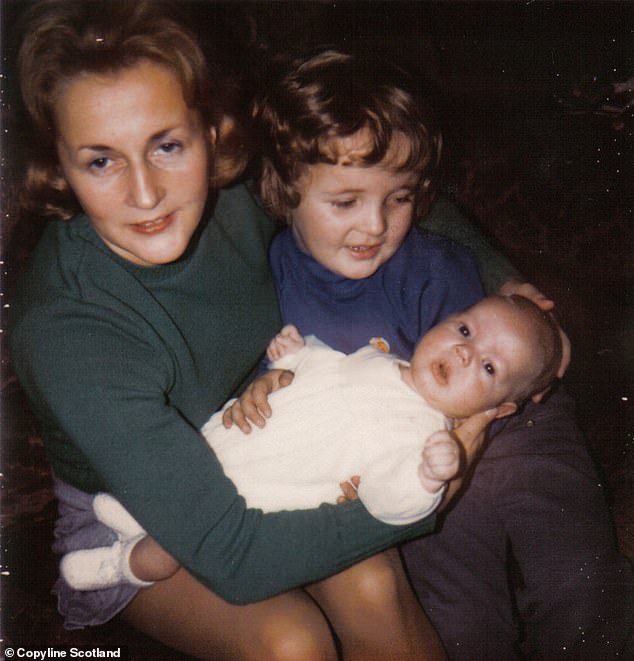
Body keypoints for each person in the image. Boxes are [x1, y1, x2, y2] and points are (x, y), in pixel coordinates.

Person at [7, 3, 509, 659]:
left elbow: (383, 177)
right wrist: (425, 495)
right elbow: (235, 556)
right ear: (59, 165)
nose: (146, 195)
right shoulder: (66, 331)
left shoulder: (235, 185)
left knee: (374, 586)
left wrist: (505, 283)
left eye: (167, 146)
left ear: (212, 133)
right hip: (135, 520)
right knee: (290, 643)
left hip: (280, 438)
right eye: (101, 161)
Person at [223, 48, 634, 659]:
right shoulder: (273, 281)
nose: (376, 225)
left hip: (514, 425)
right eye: (346, 202)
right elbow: (289, 381)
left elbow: (500, 364)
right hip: (414, 464)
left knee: (579, 583)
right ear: (283, 189)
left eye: (400, 197)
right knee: (456, 620)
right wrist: (268, 389)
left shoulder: (433, 266)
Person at [60, 293, 563, 593]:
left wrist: (429, 476)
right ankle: (144, 514)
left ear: (498, 410)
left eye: (489, 367)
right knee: (184, 466)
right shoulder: (383, 359)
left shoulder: (424, 439)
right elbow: (331, 367)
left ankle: (123, 566)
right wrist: (294, 357)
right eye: (465, 329)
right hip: (240, 441)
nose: (464, 352)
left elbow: (391, 500)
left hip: (261, 492)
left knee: (178, 541)